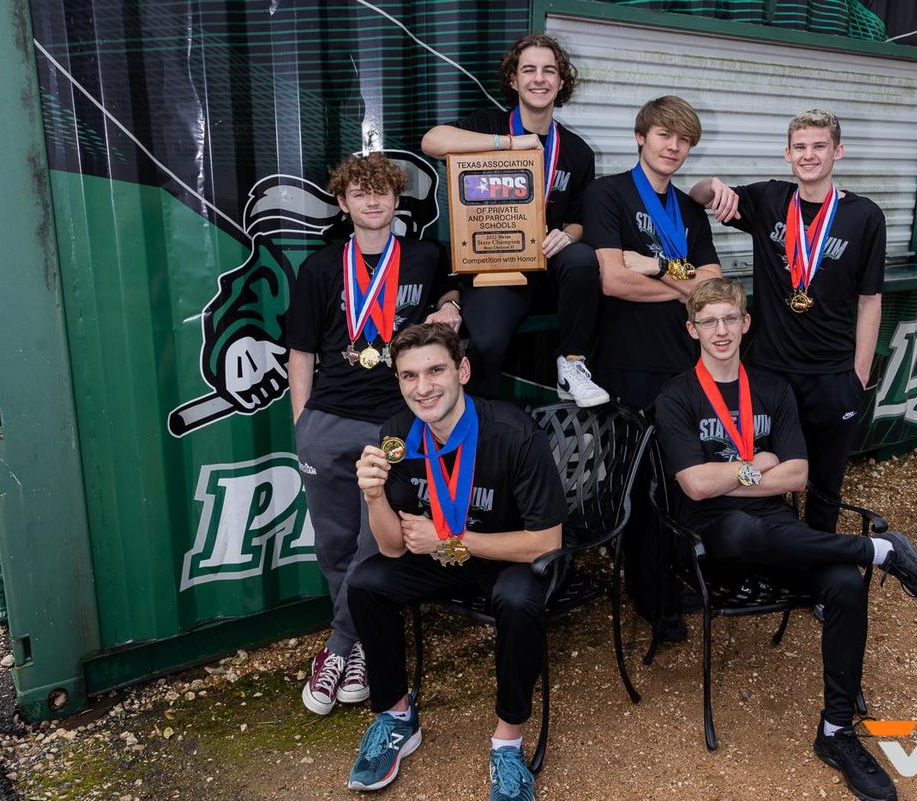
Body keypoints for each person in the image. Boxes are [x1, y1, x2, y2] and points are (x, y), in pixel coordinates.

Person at [653, 278, 917, 801]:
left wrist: (737, 473)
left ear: (746, 323)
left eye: (730, 319)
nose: (722, 330)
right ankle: (877, 551)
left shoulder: (772, 389)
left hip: (782, 533)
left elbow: (796, 475)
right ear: (692, 329)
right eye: (710, 321)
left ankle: (836, 732)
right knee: (744, 527)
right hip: (711, 542)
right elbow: (695, 485)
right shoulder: (677, 395)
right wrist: (755, 467)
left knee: (843, 583)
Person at [347, 323, 566, 801]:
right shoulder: (397, 436)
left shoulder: (512, 433)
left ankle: (507, 743)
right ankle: (397, 717)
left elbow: (545, 542)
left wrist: (450, 536)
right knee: (366, 583)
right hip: (437, 554)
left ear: (462, 370)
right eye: (408, 376)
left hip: (505, 554)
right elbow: (390, 549)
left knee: (518, 598)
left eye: (435, 371)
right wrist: (373, 496)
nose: (422, 388)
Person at [287, 153, 462, 716]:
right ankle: (359, 639)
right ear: (343, 203)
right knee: (335, 543)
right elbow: (301, 351)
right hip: (328, 420)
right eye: (360, 193)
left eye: (383, 191)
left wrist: (450, 305)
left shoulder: (423, 256)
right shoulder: (318, 268)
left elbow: (453, 293)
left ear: (397, 199)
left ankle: (338, 647)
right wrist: (301, 424)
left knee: (374, 541)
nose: (373, 201)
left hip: (393, 425)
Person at [689, 109, 885, 533]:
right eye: (800, 147)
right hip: (768, 372)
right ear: (787, 153)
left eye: (819, 146)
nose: (809, 155)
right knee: (763, 472)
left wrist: (859, 375)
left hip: (832, 374)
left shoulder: (865, 216)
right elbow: (697, 195)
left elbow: (871, 301)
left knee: (824, 485)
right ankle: (774, 560)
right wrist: (715, 185)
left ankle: (817, 573)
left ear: (838, 152)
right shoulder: (768, 200)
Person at [582, 95, 722, 640]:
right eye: (665, 134)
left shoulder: (689, 210)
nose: (674, 147)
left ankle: (668, 574)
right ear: (641, 136)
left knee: (680, 478)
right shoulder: (607, 193)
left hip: (683, 363)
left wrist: (658, 265)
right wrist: (681, 286)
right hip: (626, 362)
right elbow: (613, 280)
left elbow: (709, 291)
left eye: (684, 140)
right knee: (639, 484)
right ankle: (647, 593)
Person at [421, 33, 608, 407]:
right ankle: (482, 424)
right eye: (529, 70)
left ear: (560, 82)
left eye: (549, 71)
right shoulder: (488, 123)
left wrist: (567, 237)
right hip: (498, 264)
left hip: (549, 265)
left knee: (583, 257)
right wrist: (508, 144)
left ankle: (571, 364)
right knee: (486, 341)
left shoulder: (577, 150)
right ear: (514, 80)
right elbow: (432, 141)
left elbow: (579, 220)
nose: (539, 78)